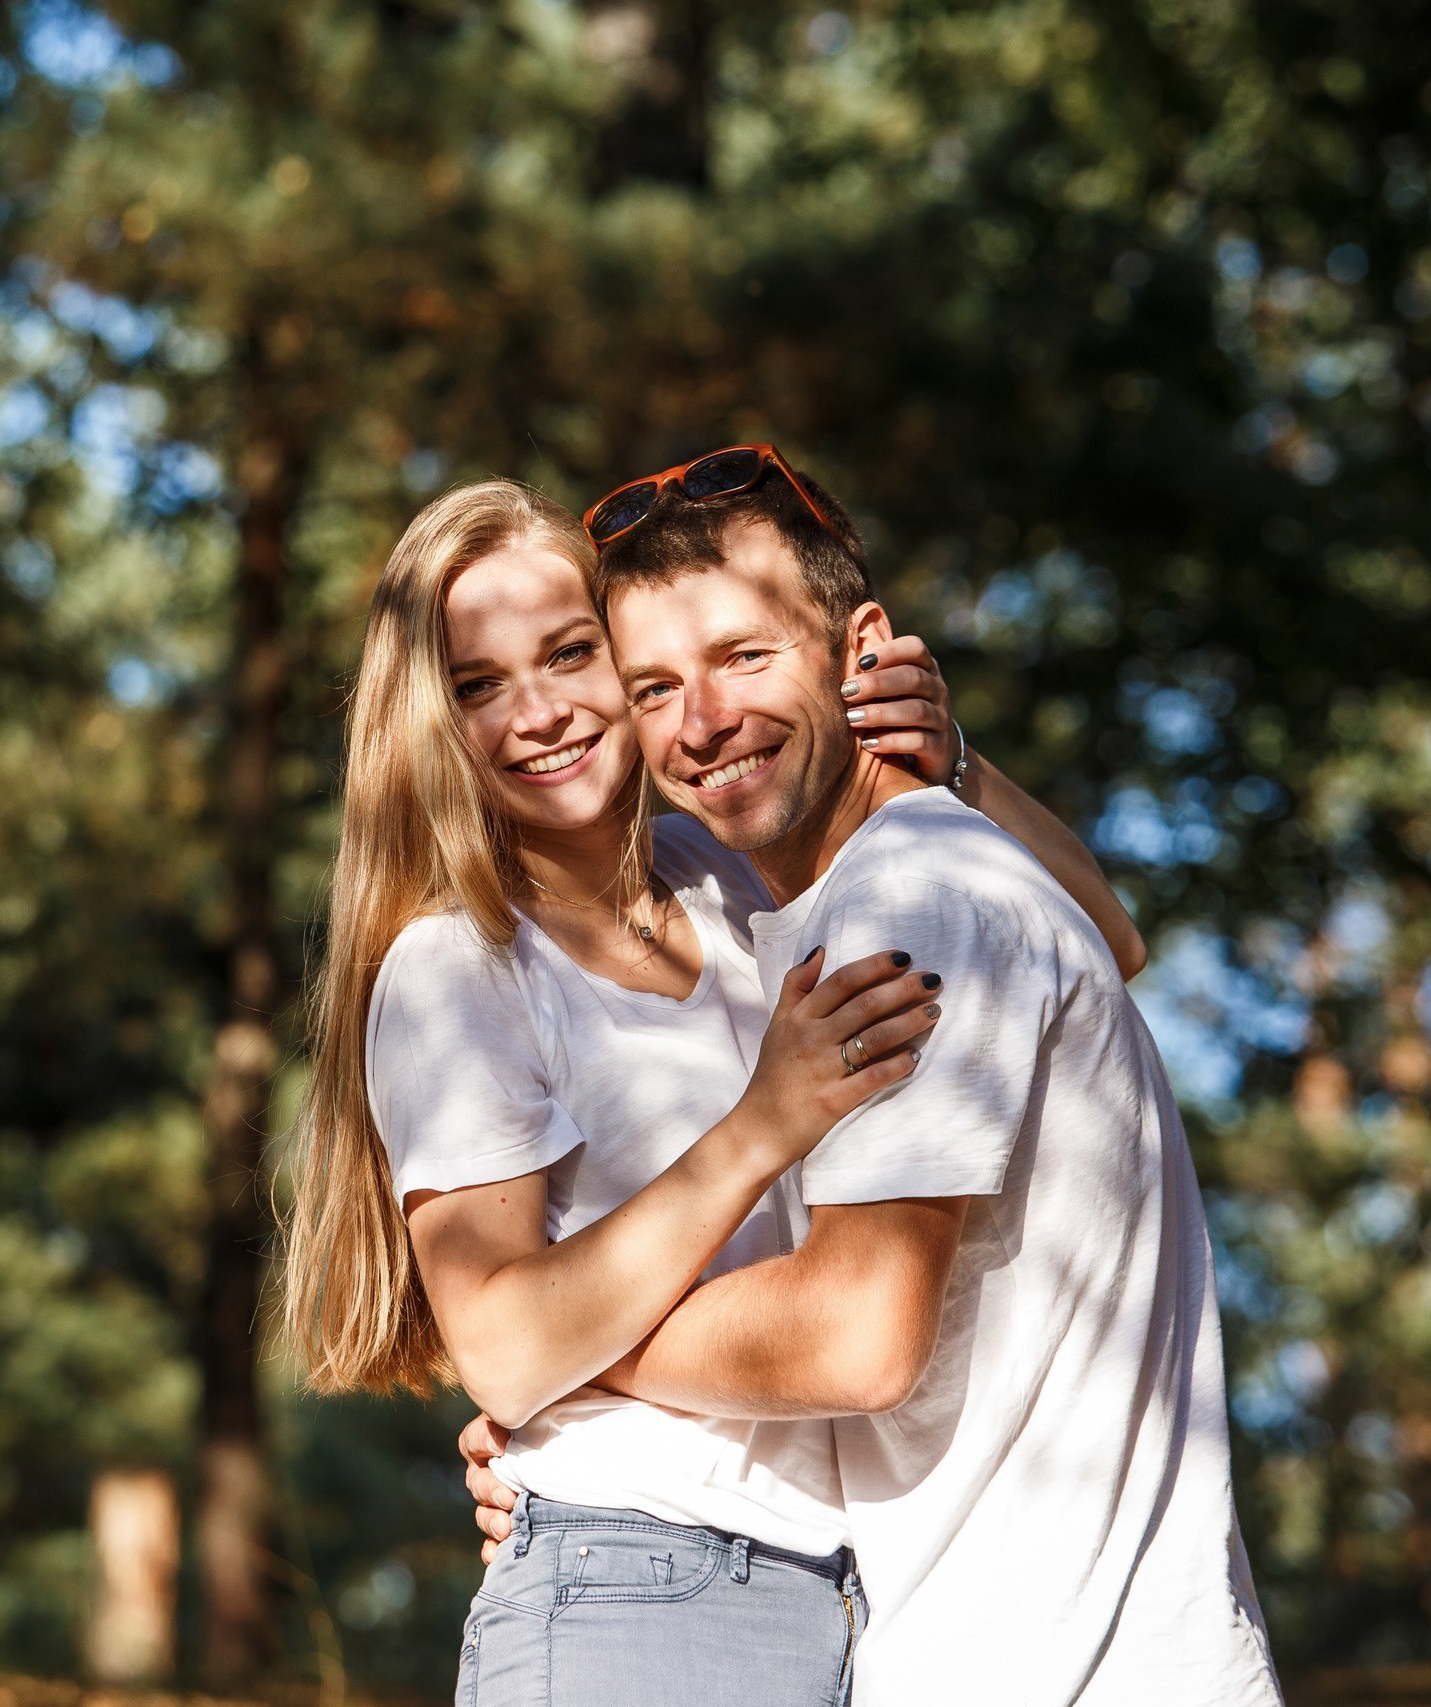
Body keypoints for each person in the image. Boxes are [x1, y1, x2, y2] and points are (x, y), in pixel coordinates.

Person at [283, 477, 1151, 1705]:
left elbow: (1098, 942)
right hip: (633, 1577)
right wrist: (756, 1129)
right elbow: (498, 1340)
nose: (538, 714)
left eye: (571, 655)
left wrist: (945, 759)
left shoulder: (731, 869)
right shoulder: (454, 968)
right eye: (477, 686)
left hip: (841, 1583)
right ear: (429, 726)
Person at [455, 447, 1284, 1705]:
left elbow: (851, 1335)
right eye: (655, 686)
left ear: (863, 648)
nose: (704, 723)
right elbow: (1114, 940)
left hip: (1054, 1668)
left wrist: (556, 1357)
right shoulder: (833, 892)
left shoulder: (915, 891)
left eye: (743, 657)